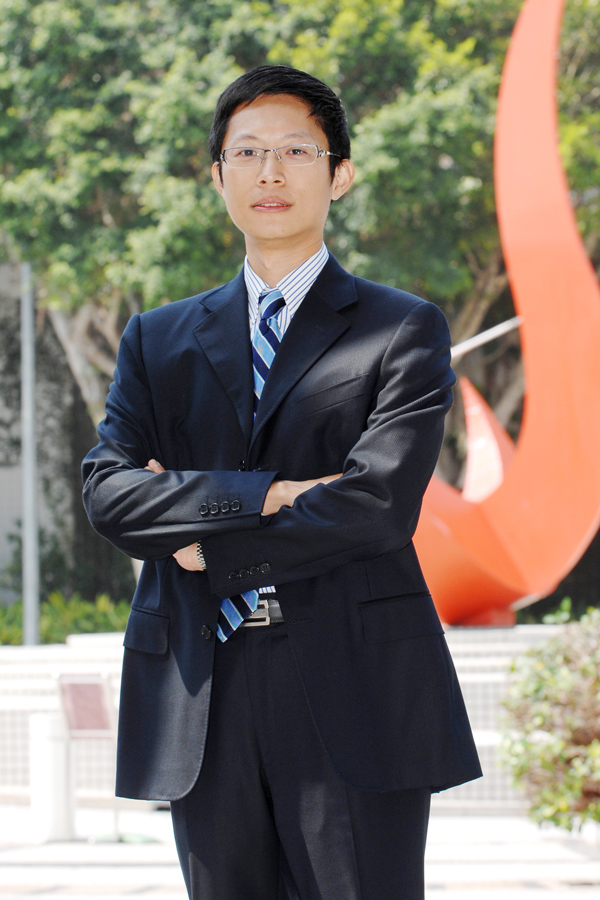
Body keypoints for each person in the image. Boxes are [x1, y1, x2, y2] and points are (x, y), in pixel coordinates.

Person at [83, 64, 481, 900]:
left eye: (297, 151)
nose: (271, 172)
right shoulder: (157, 339)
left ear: (340, 174)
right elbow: (109, 493)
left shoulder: (401, 328)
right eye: (248, 152)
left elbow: (376, 504)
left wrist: (202, 546)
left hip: (354, 684)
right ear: (217, 175)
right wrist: (267, 494)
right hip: (201, 688)